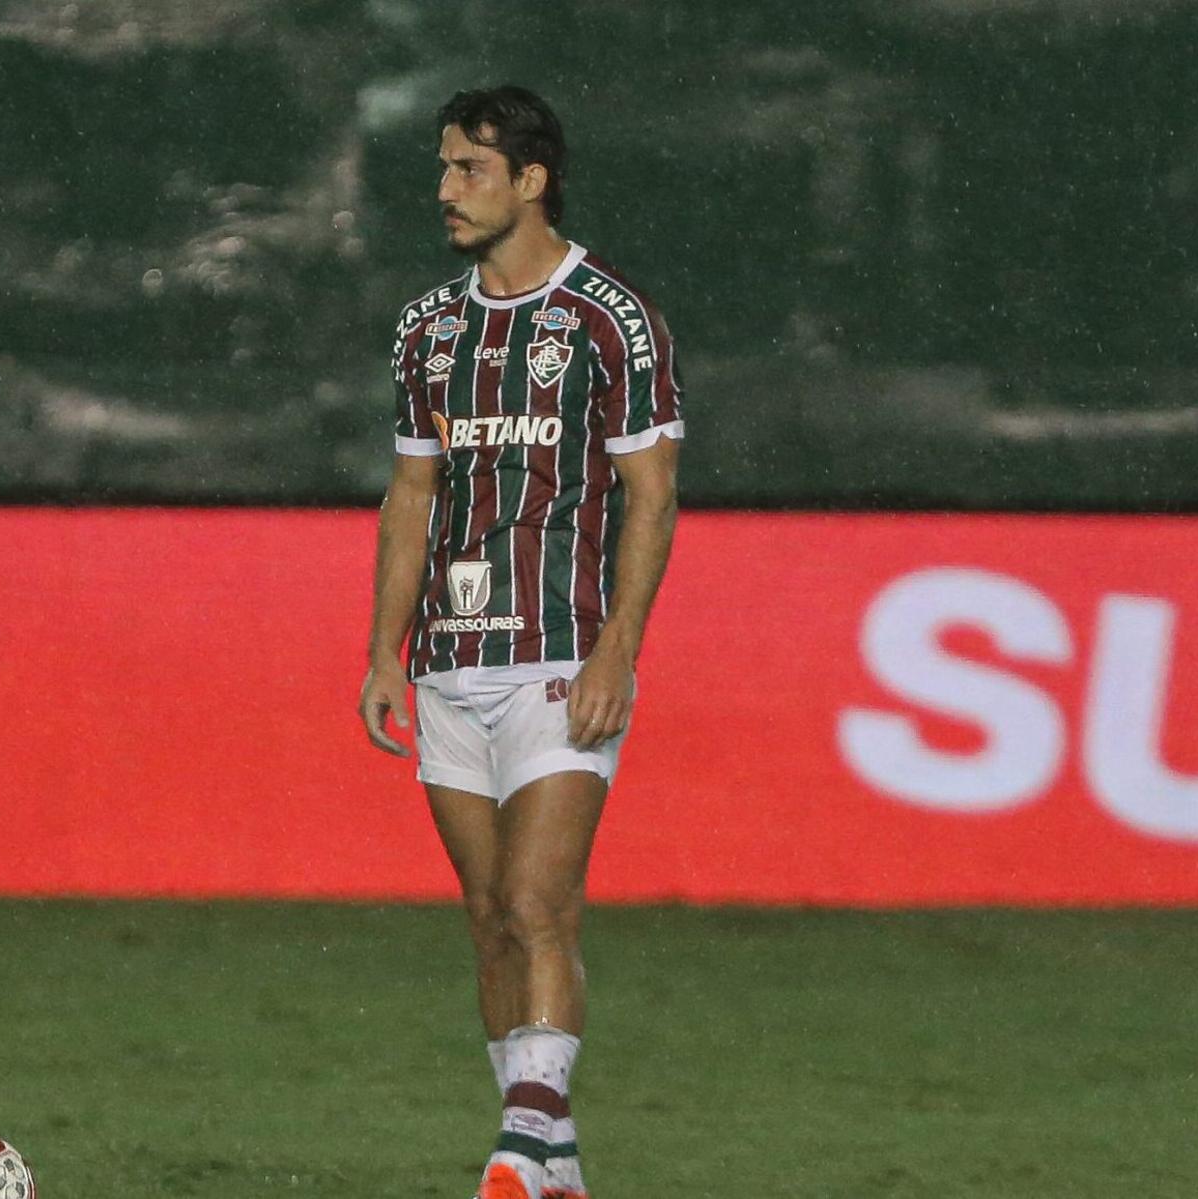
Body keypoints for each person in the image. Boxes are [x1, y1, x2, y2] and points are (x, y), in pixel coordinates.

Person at [357, 84, 683, 1199]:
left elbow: (652, 493)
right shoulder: (426, 327)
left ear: (530, 180)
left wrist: (618, 649)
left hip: (561, 657)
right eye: (445, 169)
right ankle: (558, 1166)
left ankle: (518, 1145)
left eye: (468, 171)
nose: (445, 191)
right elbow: (411, 496)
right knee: (493, 918)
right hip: (449, 662)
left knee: (543, 902)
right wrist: (384, 651)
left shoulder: (608, 316)